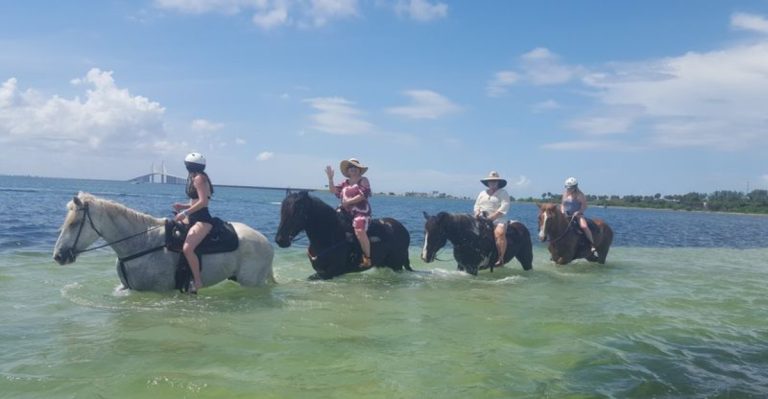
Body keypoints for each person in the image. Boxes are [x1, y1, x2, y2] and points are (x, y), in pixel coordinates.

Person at [172, 152, 215, 293]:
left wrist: (184, 213)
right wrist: (183, 206)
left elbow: (203, 202)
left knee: (188, 248)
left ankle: (197, 280)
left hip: (202, 219)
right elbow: (195, 202)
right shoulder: (195, 177)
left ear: (188, 166)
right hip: (193, 216)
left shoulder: (199, 179)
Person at [325, 158, 373, 269]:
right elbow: (333, 191)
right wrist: (330, 179)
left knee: (359, 229)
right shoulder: (344, 183)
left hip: (361, 212)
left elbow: (363, 195)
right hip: (345, 211)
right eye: (351, 168)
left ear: (359, 170)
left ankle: (367, 258)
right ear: (347, 171)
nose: (353, 170)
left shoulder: (363, 180)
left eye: (356, 168)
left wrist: (348, 202)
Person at [474, 171, 511, 266]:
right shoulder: (482, 193)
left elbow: (504, 207)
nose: (492, 183)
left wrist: (491, 218)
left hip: (498, 219)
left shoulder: (503, 193)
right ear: (488, 183)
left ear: (498, 182)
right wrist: (477, 212)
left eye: (495, 181)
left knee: (500, 233)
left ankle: (501, 258)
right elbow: (477, 205)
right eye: (490, 181)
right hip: (481, 217)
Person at [561, 177, 598, 257]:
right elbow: (562, 205)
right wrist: (562, 212)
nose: (568, 189)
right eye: (567, 188)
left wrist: (578, 212)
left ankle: (592, 244)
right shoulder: (565, 194)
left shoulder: (580, 195)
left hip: (577, 215)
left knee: (584, 226)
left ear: (575, 187)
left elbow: (584, 206)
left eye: (570, 188)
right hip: (566, 215)